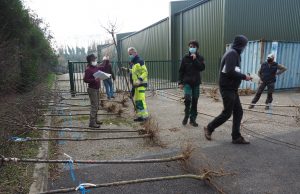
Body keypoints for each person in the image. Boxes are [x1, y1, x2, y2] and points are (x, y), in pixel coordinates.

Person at [203, 35, 252, 144]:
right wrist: (244, 77)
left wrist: (243, 76)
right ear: (240, 45)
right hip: (227, 88)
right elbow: (230, 71)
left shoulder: (235, 54)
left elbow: (234, 70)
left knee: (238, 112)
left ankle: (236, 137)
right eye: (244, 45)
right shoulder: (232, 54)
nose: (245, 48)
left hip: (232, 88)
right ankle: (209, 128)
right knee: (227, 113)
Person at [178, 40, 205, 127]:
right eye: (190, 46)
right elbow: (181, 71)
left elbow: (202, 68)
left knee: (195, 101)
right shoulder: (185, 58)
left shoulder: (200, 58)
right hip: (187, 82)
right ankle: (186, 114)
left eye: (193, 47)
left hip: (196, 82)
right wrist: (180, 82)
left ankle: (192, 119)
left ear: (197, 48)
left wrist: (195, 59)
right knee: (188, 98)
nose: (192, 48)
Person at [128, 47, 149, 122]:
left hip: (141, 84)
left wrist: (139, 79)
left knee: (141, 100)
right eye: (129, 54)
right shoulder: (134, 63)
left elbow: (145, 72)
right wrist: (127, 70)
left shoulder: (140, 61)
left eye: (130, 54)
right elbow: (135, 72)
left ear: (135, 53)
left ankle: (145, 116)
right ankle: (140, 116)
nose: (130, 55)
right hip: (136, 85)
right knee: (137, 101)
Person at [83, 54, 104, 128]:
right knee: (94, 106)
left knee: (97, 105)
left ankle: (95, 120)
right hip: (92, 89)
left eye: (95, 59)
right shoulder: (88, 69)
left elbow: (103, 67)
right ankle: (91, 122)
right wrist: (94, 80)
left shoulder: (95, 67)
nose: (95, 60)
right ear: (90, 61)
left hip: (96, 88)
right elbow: (85, 80)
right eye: (94, 59)